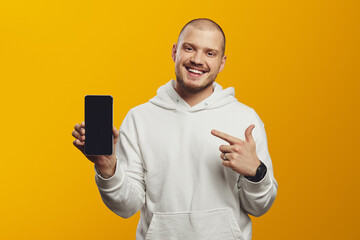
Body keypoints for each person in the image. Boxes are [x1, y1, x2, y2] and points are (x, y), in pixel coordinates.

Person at [72, 18, 278, 240]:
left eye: (210, 53)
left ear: (222, 62)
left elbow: (259, 207)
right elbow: (126, 207)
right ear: (174, 52)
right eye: (189, 48)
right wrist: (107, 168)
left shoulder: (244, 119)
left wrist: (256, 173)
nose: (197, 60)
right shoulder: (139, 118)